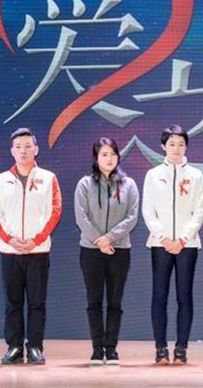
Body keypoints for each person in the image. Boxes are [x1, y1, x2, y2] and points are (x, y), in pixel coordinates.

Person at [0, 128, 62, 365]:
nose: (23, 151)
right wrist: (9, 239)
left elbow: (55, 211)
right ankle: (14, 346)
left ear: (36, 149)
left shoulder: (48, 178)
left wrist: (35, 240)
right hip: (10, 251)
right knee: (13, 302)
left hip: (37, 251)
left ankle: (35, 347)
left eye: (28, 146)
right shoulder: (2, 179)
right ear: (12, 151)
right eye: (18, 147)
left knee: (37, 303)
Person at [142, 125, 203, 365]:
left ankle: (181, 349)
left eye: (180, 144)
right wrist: (164, 238)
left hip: (187, 245)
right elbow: (148, 211)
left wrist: (182, 239)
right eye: (171, 144)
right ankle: (160, 349)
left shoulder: (196, 176)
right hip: (160, 244)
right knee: (159, 295)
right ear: (163, 147)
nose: (176, 149)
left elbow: (199, 211)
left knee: (184, 295)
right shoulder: (153, 175)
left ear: (186, 146)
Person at [74, 137, 139, 365]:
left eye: (112, 154)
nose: (109, 158)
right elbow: (81, 216)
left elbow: (132, 217)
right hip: (91, 250)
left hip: (119, 250)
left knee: (114, 302)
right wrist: (98, 241)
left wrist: (109, 238)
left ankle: (111, 349)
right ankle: (96, 348)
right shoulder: (84, 184)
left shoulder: (129, 184)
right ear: (96, 158)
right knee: (94, 301)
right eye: (104, 154)